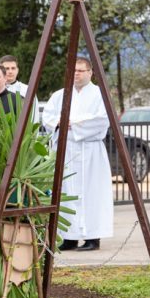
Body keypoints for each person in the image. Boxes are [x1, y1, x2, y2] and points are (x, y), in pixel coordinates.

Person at [42, 56, 113, 251]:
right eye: (73, 71)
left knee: (92, 193)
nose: (76, 74)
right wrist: (60, 123)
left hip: (90, 151)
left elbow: (101, 120)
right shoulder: (60, 95)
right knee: (66, 191)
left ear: (90, 73)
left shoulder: (100, 95)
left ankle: (93, 237)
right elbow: (48, 117)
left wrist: (73, 123)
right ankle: (69, 236)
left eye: (81, 70)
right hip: (67, 151)